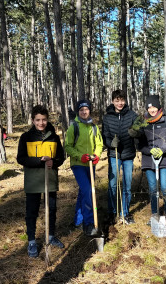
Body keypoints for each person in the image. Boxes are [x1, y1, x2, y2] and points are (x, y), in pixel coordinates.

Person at [17, 105, 65, 258]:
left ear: (47, 120)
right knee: (32, 211)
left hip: (50, 180)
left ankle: (50, 236)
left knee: (51, 209)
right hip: (33, 181)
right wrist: (39, 161)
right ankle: (31, 241)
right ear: (33, 120)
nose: (41, 123)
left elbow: (61, 157)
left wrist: (54, 162)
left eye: (44, 120)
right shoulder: (26, 137)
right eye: (38, 120)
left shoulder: (54, 137)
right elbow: (21, 158)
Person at [138, 95, 166, 227]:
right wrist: (149, 150)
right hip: (148, 161)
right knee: (152, 188)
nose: (152, 110)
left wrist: (162, 149)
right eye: (149, 108)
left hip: (163, 160)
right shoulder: (143, 123)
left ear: (158, 107)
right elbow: (139, 144)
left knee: (165, 187)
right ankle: (155, 214)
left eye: (154, 107)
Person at [65, 99, 103, 236]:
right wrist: (80, 156)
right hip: (78, 164)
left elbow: (99, 144)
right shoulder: (74, 126)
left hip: (90, 164)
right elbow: (67, 146)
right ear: (78, 112)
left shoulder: (94, 127)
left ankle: (78, 220)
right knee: (88, 191)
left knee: (83, 192)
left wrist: (96, 155)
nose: (84, 112)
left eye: (86, 109)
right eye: (81, 110)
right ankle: (88, 223)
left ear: (89, 111)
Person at [102, 89, 138, 225]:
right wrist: (110, 143)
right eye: (117, 100)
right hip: (114, 155)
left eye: (122, 100)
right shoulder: (107, 117)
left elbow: (140, 128)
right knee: (112, 184)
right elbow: (104, 135)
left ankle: (125, 213)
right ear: (113, 101)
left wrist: (136, 133)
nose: (120, 103)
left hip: (128, 155)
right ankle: (112, 212)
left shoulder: (132, 115)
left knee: (127, 185)